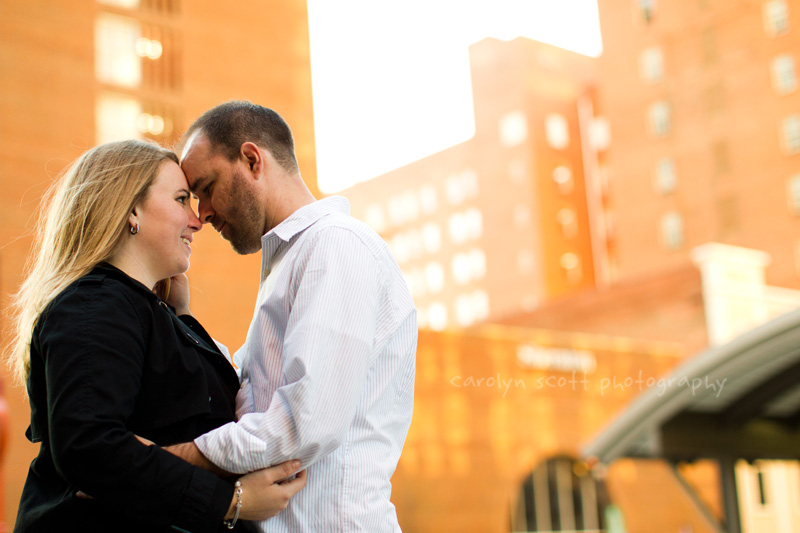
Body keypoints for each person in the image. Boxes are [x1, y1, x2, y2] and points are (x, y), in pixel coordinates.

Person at [7, 139, 306, 532]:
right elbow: (90, 447)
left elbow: (178, 412)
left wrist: (178, 316)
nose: (198, 220)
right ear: (132, 210)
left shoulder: (135, 310)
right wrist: (232, 502)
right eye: (182, 199)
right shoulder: (95, 304)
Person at [171, 101, 417, 531]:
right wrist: (181, 316)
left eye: (205, 188)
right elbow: (247, 393)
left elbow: (304, 423)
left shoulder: (335, 247)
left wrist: (160, 463)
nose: (202, 214)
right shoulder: (293, 262)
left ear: (251, 160)